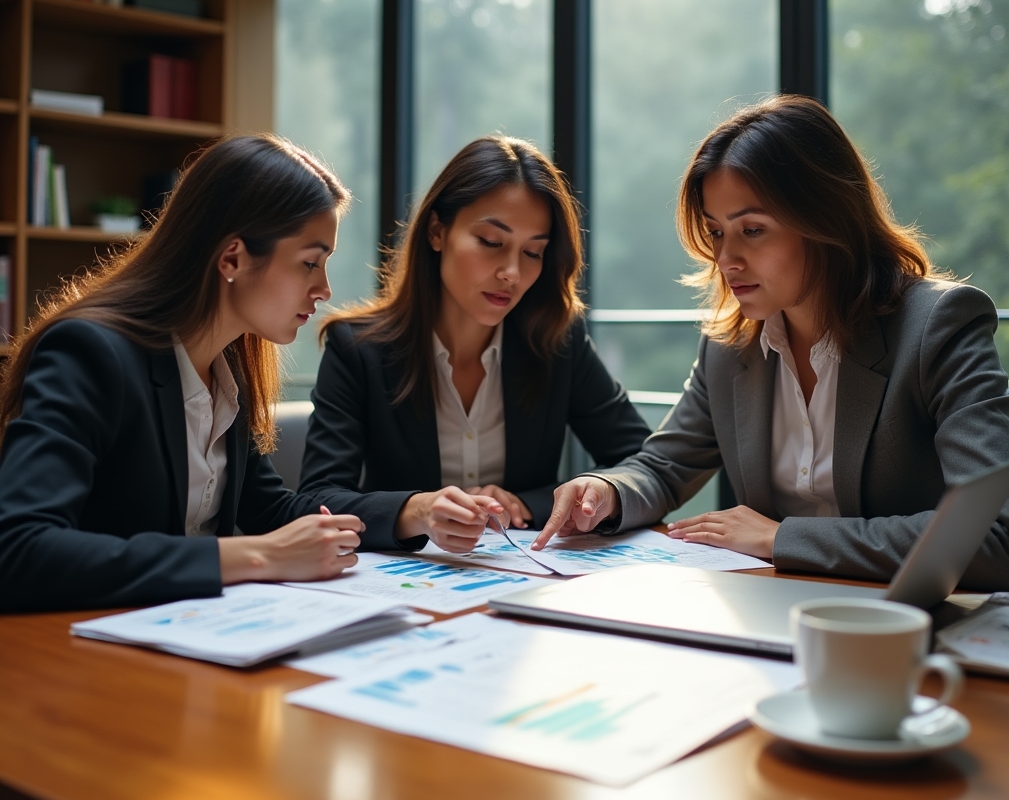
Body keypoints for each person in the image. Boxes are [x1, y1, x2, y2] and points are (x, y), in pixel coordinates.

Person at [536, 95, 1009, 592]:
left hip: (902, 626)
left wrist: (781, 537)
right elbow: (664, 466)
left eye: (752, 230)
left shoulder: (938, 325)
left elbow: (1002, 540)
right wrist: (606, 490)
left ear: (826, 221)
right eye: (716, 232)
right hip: (774, 611)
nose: (727, 259)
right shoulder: (731, 347)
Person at [0, 134, 366, 613]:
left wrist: (411, 512)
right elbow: (19, 549)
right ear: (232, 258)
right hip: (79, 650)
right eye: (310, 263)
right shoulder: (90, 352)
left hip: (180, 635)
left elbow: (271, 511)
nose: (324, 288)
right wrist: (255, 556)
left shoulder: (230, 364)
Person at [299, 135, 650, 553]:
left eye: (533, 253)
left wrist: (529, 504)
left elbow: (642, 464)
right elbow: (316, 499)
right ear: (436, 231)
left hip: (522, 578)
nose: (512, 273)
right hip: (408, 587)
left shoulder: (556, 340)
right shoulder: (357, 348)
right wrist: (418, 509)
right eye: (491, 242)